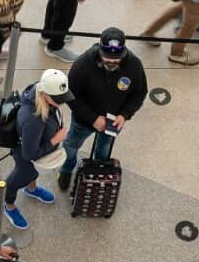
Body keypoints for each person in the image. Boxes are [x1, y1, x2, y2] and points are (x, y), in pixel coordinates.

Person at [57, 28, 146, 190]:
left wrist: (124, 115)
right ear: (100, 49)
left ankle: (97, 174)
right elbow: (70, 95)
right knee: (71, 146)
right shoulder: (82, 64)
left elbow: (139, 93)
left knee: (103, 151)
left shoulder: (134, 65)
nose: (111, 62)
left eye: (116, 59)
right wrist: (93, 118)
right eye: (108, 58)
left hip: (113, 123)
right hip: (83, 121)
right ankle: (66, 170)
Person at [2, 69, 72, 230]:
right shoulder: (33, 119)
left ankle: (31, 189)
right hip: (23, 149)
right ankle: (9, 205)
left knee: (32, 173)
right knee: (22, 175)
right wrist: (56, 138)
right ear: (45, 94)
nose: (62, 102)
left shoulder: (40, 90)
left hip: (32, 141)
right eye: (58, 99)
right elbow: (29, 154)